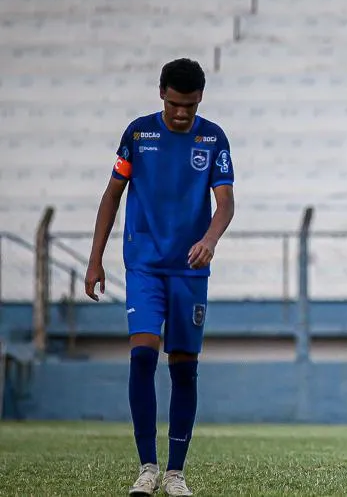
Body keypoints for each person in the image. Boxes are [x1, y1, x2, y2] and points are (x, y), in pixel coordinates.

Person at [84, 58, 235, 497]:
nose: (181, 113)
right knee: (142, 356)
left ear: (200, 99)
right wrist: (95, 260)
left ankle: (175, 473)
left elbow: (225, 202)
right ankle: (147, 467)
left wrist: (210, 239)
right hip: (145, 264)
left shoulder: (213, 138)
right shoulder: (138, 135)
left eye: (190, 105)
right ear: (161, 95)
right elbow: (112, 195)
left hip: (190, 268)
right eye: (174, 104)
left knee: (184, 367)